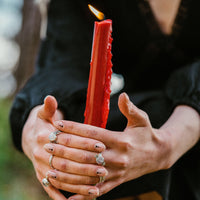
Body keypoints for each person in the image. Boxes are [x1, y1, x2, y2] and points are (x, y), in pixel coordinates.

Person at [10, 0, 200, 200]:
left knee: (156, 119)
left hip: (187, 129)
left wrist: (170, 143)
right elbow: (63, 60)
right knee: (83, 137)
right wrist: (37, 131)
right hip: (128, 124)